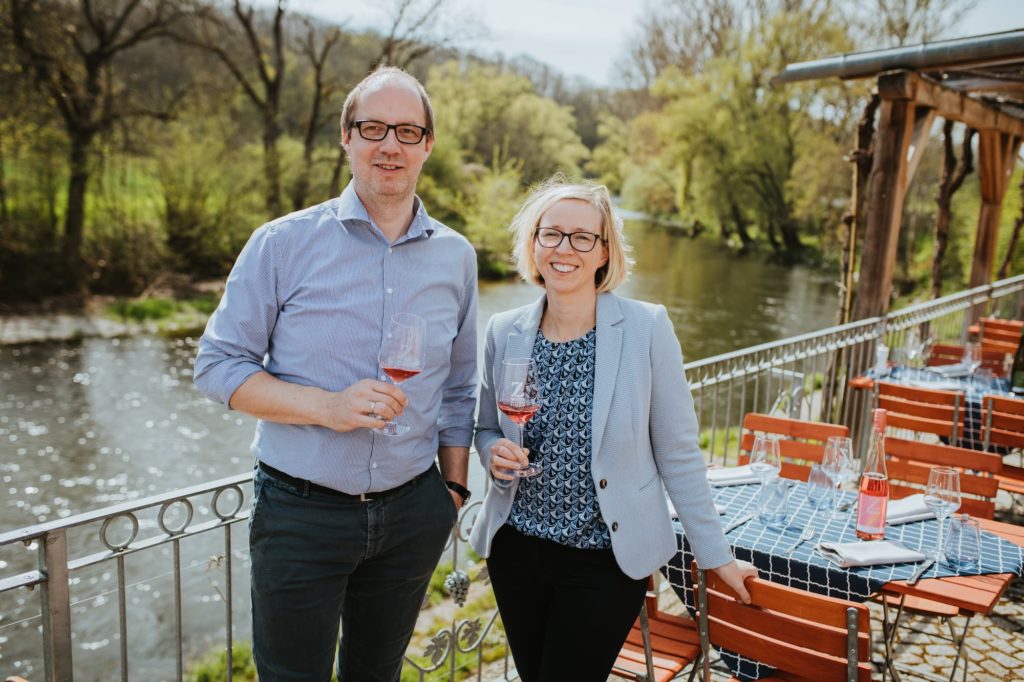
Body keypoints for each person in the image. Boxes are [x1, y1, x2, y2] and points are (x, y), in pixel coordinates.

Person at [193, 66, 477, 682]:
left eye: (407, 130)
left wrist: (451, 492)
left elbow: (458, 387)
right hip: (301, 514)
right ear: (346, 138)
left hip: (411, 513)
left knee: (376, 674)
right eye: (373, 127)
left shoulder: (456, 257)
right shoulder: (281, 243)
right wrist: (327, 407)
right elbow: (217, 367)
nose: (390, 144)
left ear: (428, 144)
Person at [468, 178, 757, 681]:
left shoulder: (647, 328)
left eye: (583, 237)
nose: (565, 249)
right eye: (551, 234)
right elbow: (486, 427)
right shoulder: (504, 330)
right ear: (533, 244)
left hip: (604, 558)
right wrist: (492, 450)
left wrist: (716, 555)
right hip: (517, 550)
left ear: (604, 251)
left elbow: (679, 452)